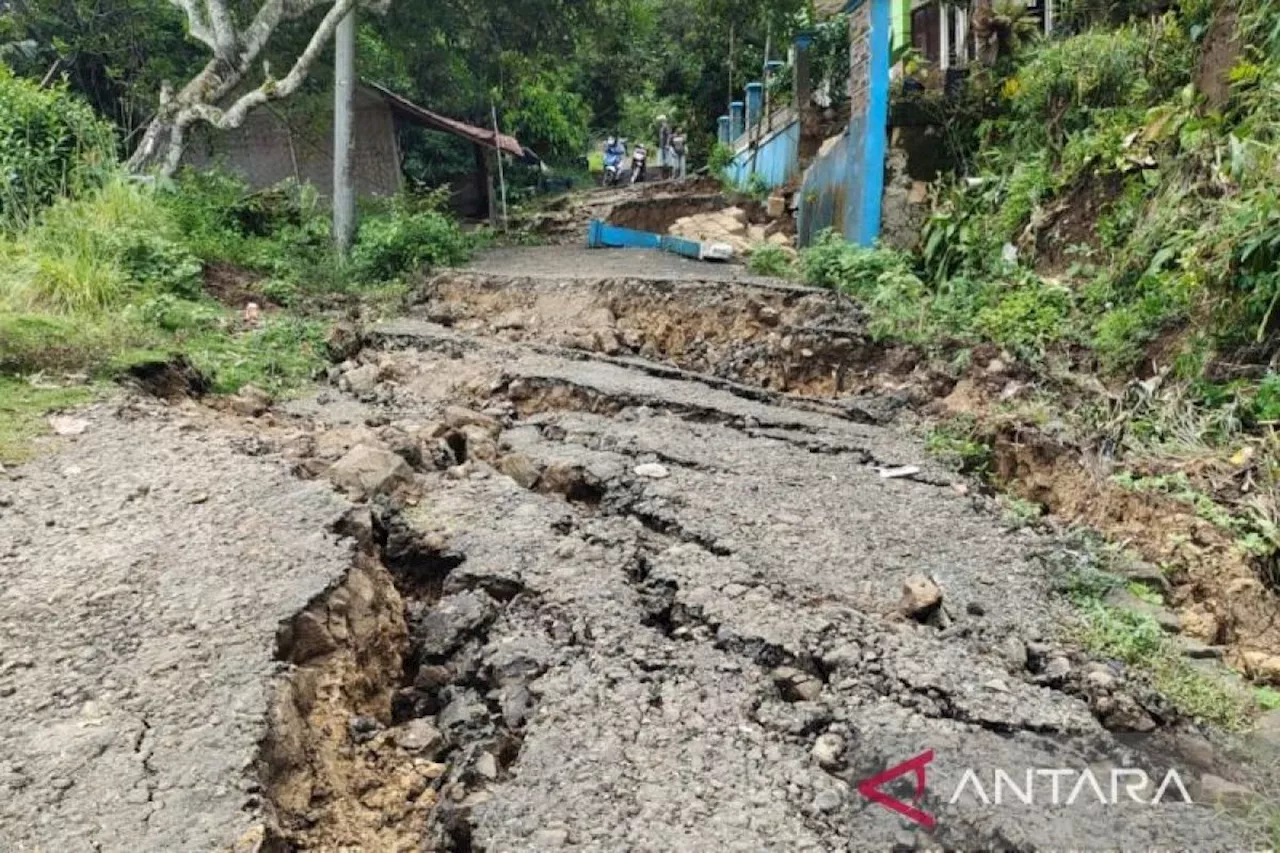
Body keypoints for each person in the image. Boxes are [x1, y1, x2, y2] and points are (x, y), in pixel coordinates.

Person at [656, 115, 673, 180]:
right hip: (661, 146)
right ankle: (661, 176)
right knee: (660, 162)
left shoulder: (666, 127)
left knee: (668, 162)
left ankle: (669, 176)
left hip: (666, 147)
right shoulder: (661, 128)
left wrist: (667, 144)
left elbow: (669, 136)